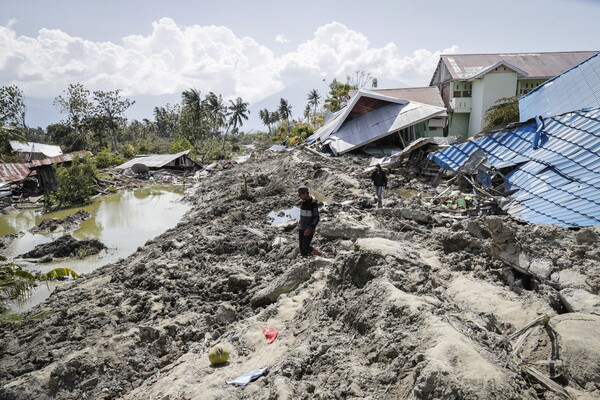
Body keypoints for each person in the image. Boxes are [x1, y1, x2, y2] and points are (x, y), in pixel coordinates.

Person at [297, 186, 322, 257]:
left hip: (309, 228)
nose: (299, 196)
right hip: (301, 227)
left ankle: (320, 254)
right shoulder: (302, 202)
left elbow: (316, 218)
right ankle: (304, 261)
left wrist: (310, 228)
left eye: (301, 194)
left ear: (305, 193)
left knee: (305, 246)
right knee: (301, 248)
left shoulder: (313, 203)